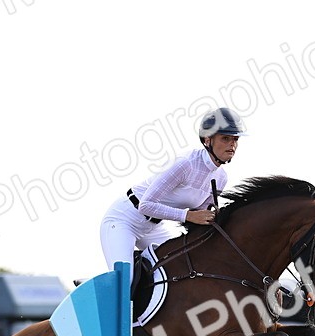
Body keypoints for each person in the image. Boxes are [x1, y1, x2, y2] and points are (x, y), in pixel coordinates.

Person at [98, 107, 246, 277]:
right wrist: (187, 216)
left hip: (154, 228)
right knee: (125, 279)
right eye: (225, 138)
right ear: (207, 140)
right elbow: (145, 206)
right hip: (124, 219)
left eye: (235, 139)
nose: (232, 145)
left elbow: (200, 217)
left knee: (181, 270)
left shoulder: (221, 178)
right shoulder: (186, 164)